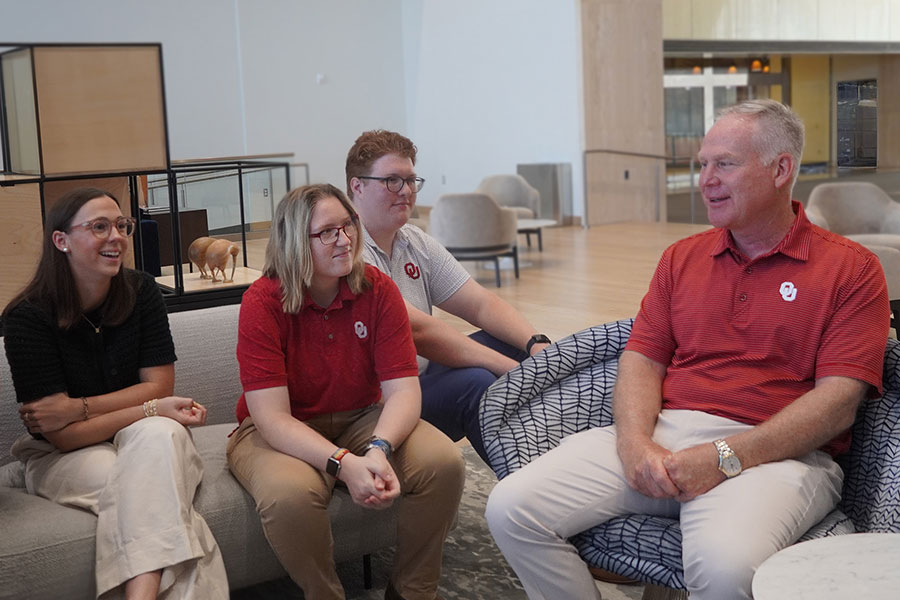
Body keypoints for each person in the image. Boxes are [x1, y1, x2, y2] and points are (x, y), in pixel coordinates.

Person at [485, 99, 891, 599]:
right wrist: (635, 445)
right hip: (665, 435)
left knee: (726, 569)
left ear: (781, 169)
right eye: (702, 164)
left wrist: (723, 457)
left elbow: (837, 405)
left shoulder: (851, 269)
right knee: (511, 508)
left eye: (725, 163)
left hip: (779, 456)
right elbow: (641, 359)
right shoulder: (683, 257)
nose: (706, 179)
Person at [226, 183, 465, 600]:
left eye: (349, 225)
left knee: (443, 462)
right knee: (290, 496)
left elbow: (404, 391)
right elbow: (272, 418)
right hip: (278, 429)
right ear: (295, 241)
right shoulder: (262, 302)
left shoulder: (377, 288)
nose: (346, 239)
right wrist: (342, 463)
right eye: (328, 232)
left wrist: (377, 449)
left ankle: (412, 591)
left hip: (360, 415)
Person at [2, 187, 228, 599]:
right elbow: (63, 435)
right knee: (157, 491)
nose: (117, 237)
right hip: (62, 457)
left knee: (160, 438)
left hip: (146, 437)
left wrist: (77, 407)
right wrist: (151, 406)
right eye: (99, 227)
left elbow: (159, 387)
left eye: (121, 226)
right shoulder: (27, 317)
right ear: (61, 240)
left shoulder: (141, 291)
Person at [346, 130, 551, 463]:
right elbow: (419, 332)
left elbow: (480, 303)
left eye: (411, 180)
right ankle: (530, 482)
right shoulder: (346, 251)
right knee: (478, 381)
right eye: (393, 181)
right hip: (380, 403)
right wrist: (510, 369)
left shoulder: (413, 240)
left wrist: (536, 345)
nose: (407, 191)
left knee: (516, 344)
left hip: (418, 376)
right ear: (358, 186)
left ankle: (561, 454)